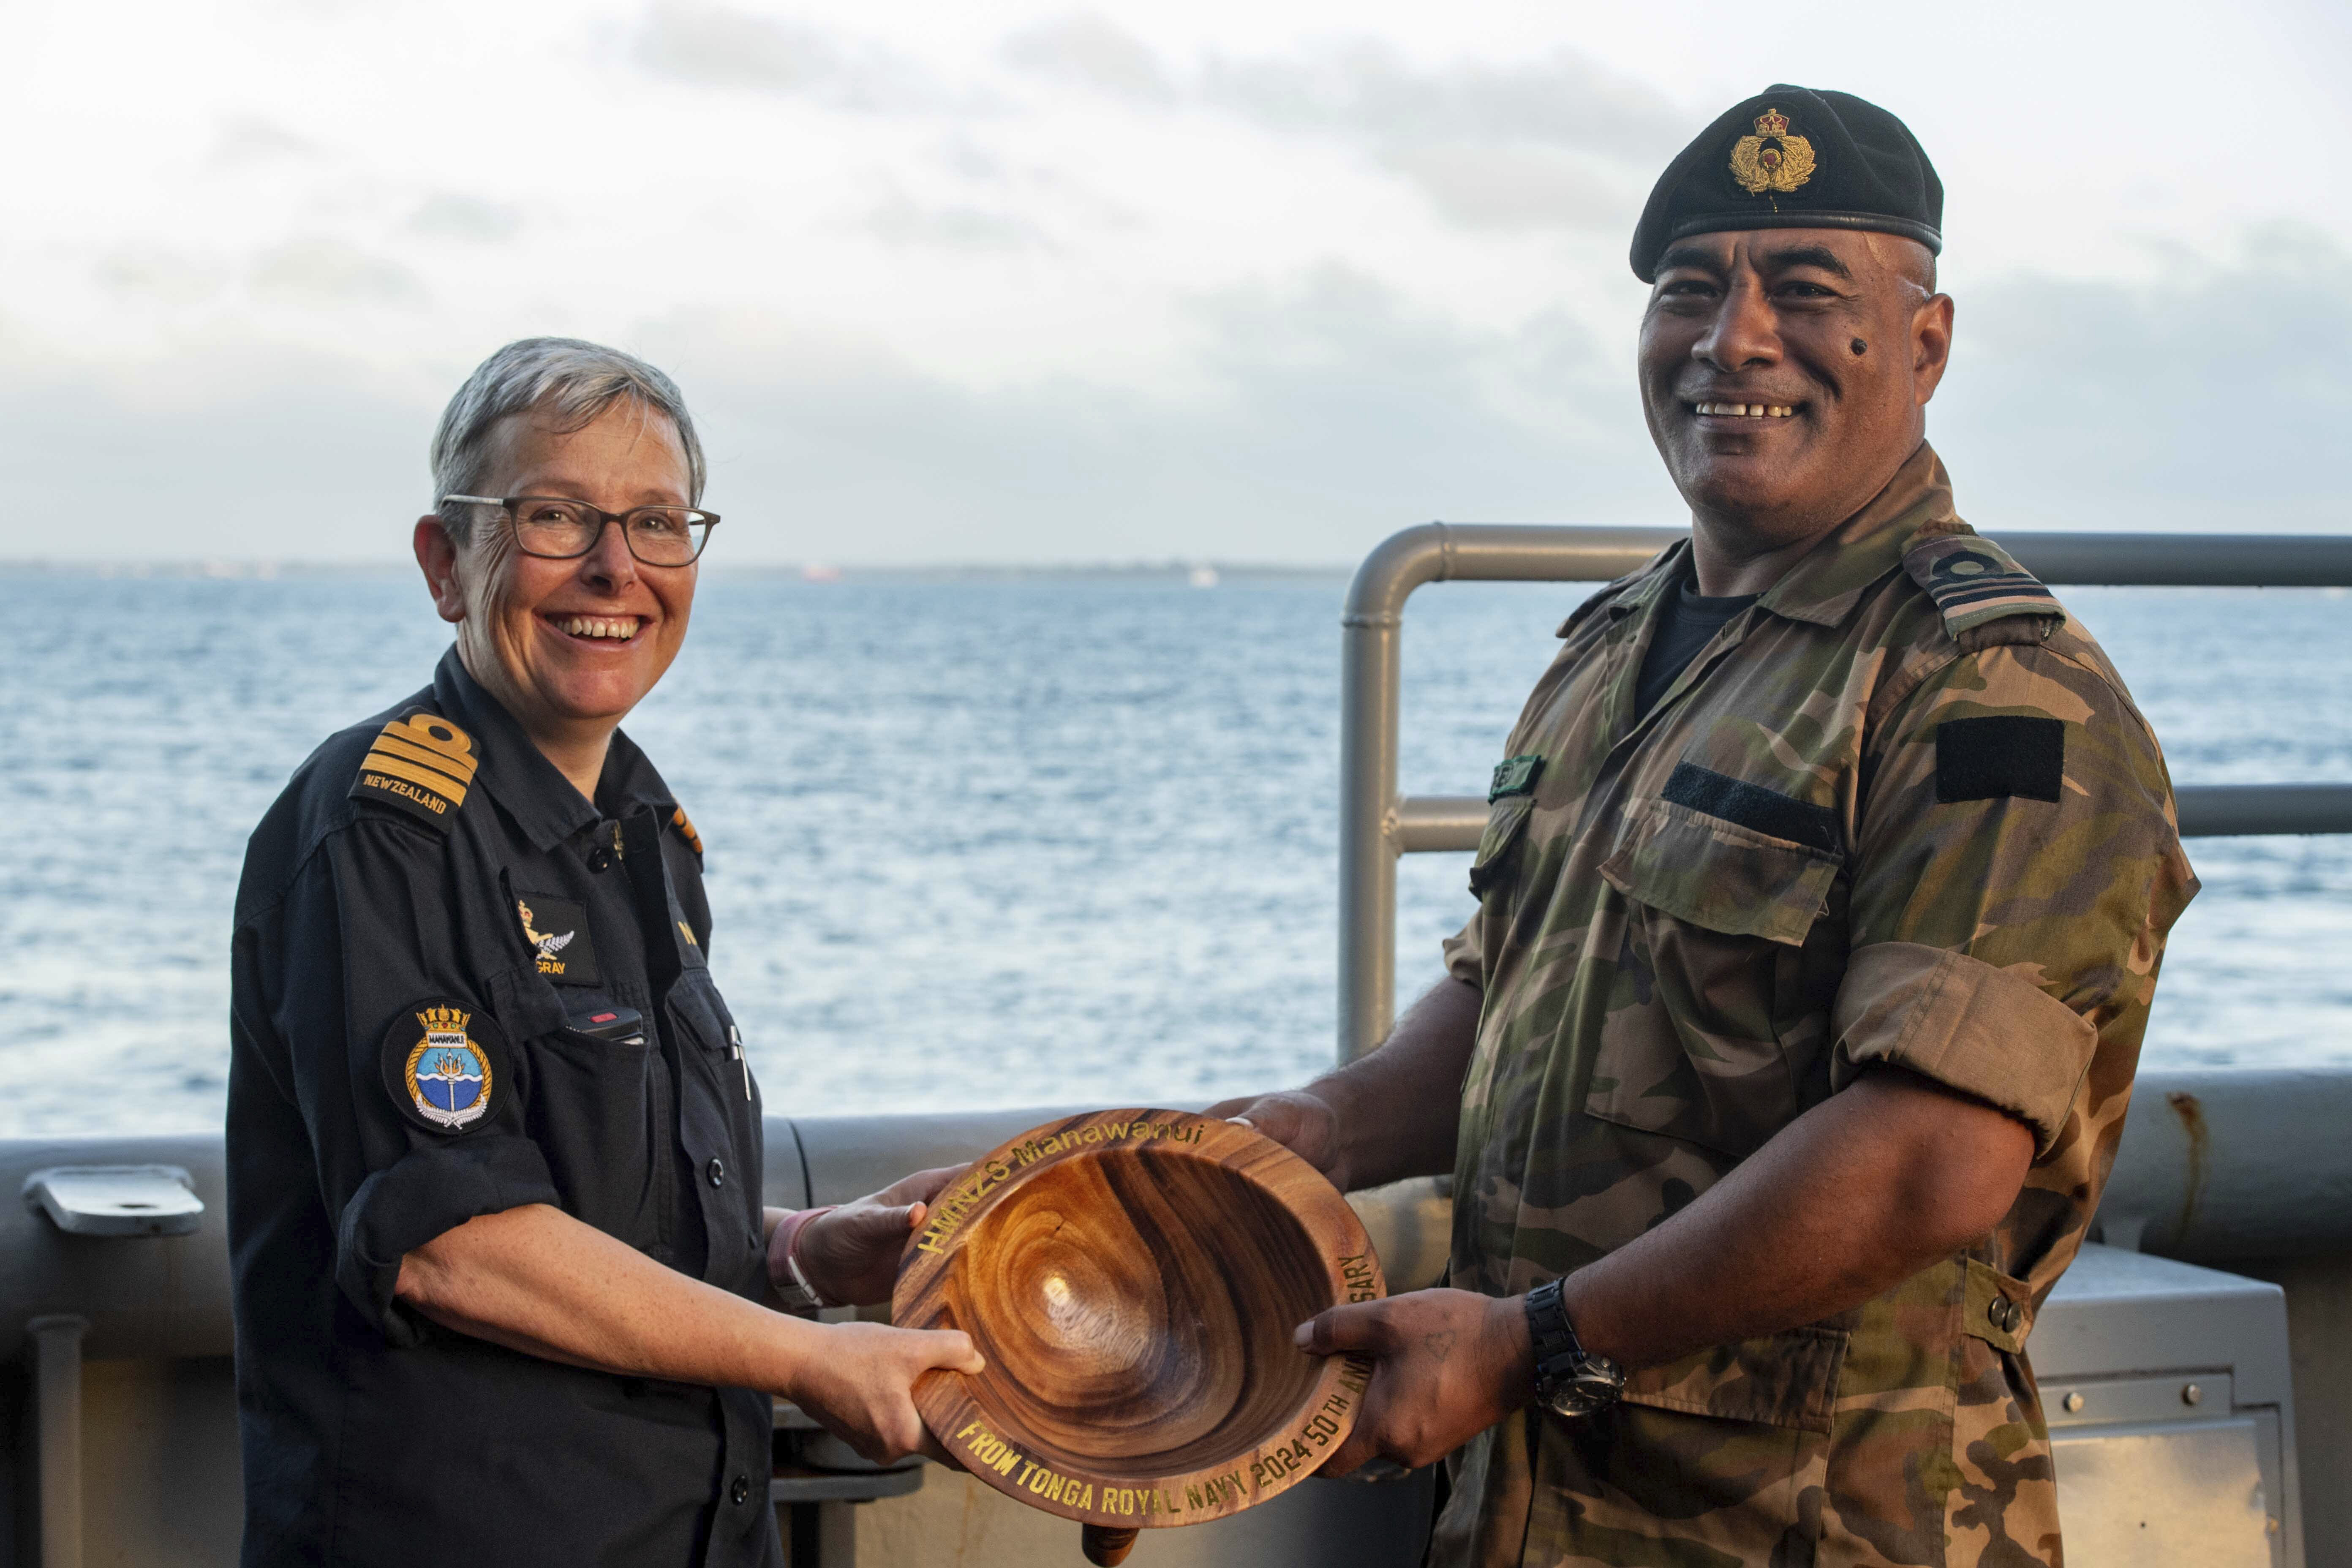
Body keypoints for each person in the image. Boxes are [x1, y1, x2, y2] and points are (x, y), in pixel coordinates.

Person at [1214, 88, 2197, 1565]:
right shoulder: (1615, 645)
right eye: (1691, 290)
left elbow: (1936, 1152)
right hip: (1534, 1513)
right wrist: (1321, 1129)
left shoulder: (1991, 687)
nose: (1734, 339)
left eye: (1806, 291)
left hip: (1817, 1524)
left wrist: (1523, 1345)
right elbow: (1512, 993)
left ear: (1926, 346)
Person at [226, 338, 983, 1568]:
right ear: (445, 563)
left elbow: (603, 1201)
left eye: (655, 521)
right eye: (556, 516)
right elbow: (454, 1243)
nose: (615, 568)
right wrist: (813, 1361)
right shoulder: (382, 830)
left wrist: (798, 1256)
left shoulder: (643, 835)